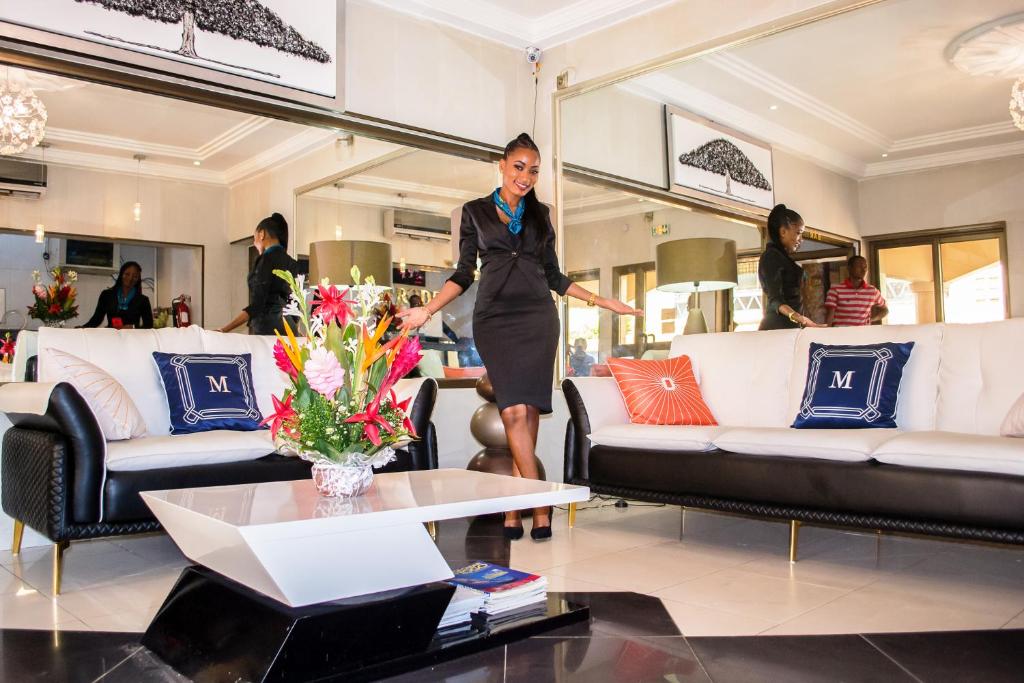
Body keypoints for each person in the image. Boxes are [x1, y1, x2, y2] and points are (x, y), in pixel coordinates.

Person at [397, 133, 641, 541]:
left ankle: (514, 511)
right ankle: (541, 503)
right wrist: (427, 309)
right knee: (512, 411)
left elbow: (554, 276)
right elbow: (462, 273)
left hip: (537, 319)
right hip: (494, 319)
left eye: (533, 170)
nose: (525, 177)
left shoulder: (540, 215)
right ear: (502, 165)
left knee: (527, 416)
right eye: (518, 167)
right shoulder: (475, 212)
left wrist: (601, 300)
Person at [220, 213, 299, 335]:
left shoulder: (265, 260)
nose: (254, 242)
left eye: (254, 237)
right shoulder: (292, 263)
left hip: (268, 327)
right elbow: (295, 305)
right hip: (289, 328)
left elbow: (257, 305)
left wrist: (224, 329)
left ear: (262, 234)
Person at [757, 204, 824, 330]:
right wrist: (798, 317)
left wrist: (803, 320)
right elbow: (775, 300)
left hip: (789, 327)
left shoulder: (783, 257)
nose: (801, 240)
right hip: (776, 328)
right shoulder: (771, 256)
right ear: (783, 231)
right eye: (798, 233)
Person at [81, 261, 153, 329]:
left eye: (135, 276)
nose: (130, 278)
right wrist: (82, 328)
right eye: (127, 274)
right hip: (111, 337)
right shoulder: (106, 295)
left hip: (132, 338)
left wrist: (133, 327)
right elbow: (96, 319)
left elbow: (149, 325)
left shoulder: (143, 300)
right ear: (121, 274)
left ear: (138, 279)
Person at [825, 255, 888, 327]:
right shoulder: (836, 290)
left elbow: (885, 310)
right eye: (859, 266)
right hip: (842, 335)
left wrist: (872, 319)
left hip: (863, 336)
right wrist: (827, 334)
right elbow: (829, 317)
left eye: (865, 267)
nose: (863, 270)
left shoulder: (872, 291)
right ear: (849, 268)